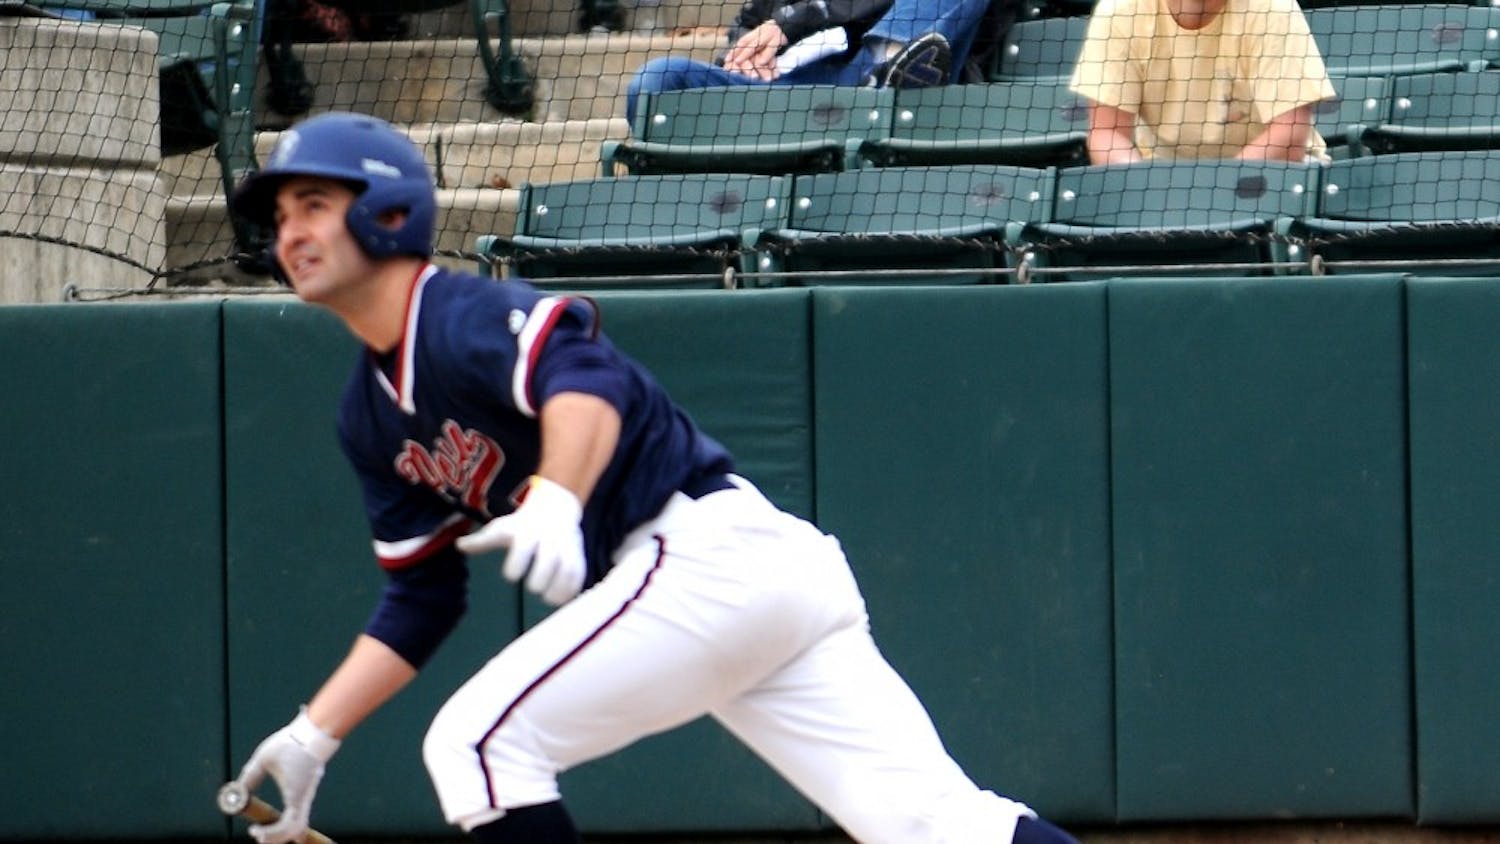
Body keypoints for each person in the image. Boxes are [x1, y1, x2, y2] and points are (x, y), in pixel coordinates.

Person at [224, 110, 1084, 844]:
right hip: (743, 577)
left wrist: (556, 496)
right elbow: (421, 597)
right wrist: (314, 735)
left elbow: (586, 380)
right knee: (934, 825)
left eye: (314, 204)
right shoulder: (368, 414)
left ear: (386, 210)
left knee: (479, 747)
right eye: (281, 215)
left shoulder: (458, 314)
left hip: (701, 555)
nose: (291, 231)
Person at [624, 0, 997, 124]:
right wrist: (743, 57)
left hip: (853, 84)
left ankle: (889, 79)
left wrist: (796, 20)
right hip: (774, 93)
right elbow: (750, 22)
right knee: (656, 80)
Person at [1068, 0, 1337, 164]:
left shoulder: (1273, 9)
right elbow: (1107, 134)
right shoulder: (1119, 11)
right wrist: (1141, 186)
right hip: (1164, 180)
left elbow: (1289, 135)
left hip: (1276, 176)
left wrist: (1214, 190)